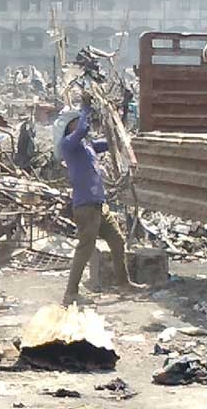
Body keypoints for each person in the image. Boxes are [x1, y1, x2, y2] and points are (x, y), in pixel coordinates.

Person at [57, 94, 144, 307]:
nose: (81, 123)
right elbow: (82, 130)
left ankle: (123, 283)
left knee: (117, 240)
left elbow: (113, 141)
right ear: (70, 126)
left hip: (98, 204)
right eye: (77, 121)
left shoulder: (87, 146)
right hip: (85, 205)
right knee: (85, 247)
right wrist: (86, 109)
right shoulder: (69, 144)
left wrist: (120, 113)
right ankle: (70, 293)